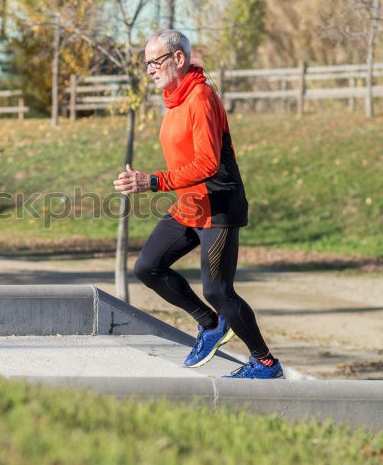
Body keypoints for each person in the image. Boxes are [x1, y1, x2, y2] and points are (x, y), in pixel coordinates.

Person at [112, 29, 282, 379]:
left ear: (178, 58)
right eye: (146, 64)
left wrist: (153, 181)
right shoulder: (176, 101)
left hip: (218, 205)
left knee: (218, 289)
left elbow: (207, 163)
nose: (150, 70)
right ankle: (211, 324)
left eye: (156, 61)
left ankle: (265, 362)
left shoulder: (200, 98)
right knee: (148, 267)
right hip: (190, 204)